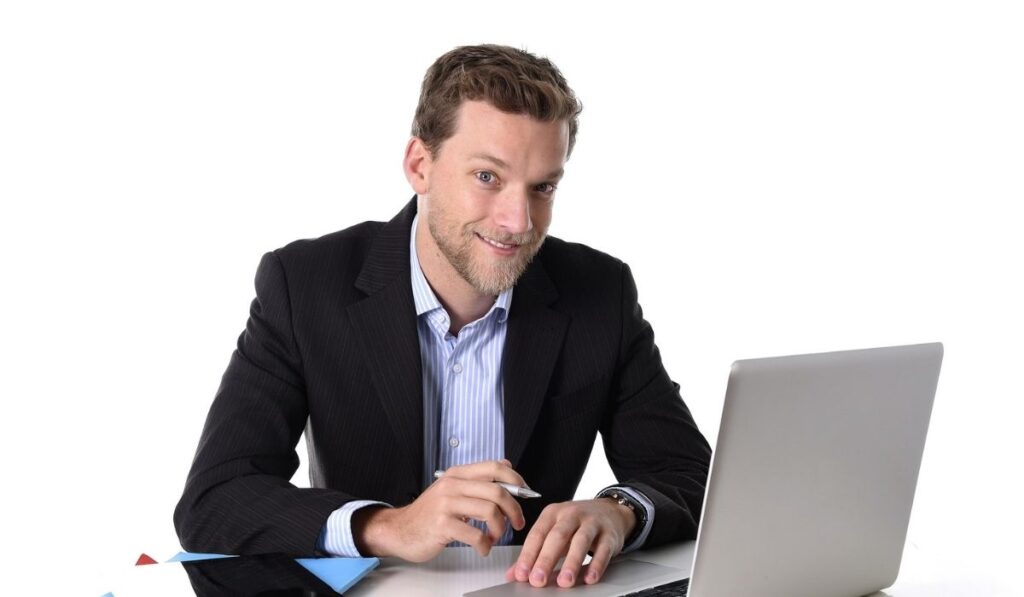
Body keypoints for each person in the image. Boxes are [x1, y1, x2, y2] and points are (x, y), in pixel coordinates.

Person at [174, 44, 711, 589]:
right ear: (419, 165)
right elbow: (215, 499)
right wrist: (386, 526)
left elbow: (693, 475)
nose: (518, 221)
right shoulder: (305, 286)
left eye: (542, 187)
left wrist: (619, 511)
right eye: (487, 177)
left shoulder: (599, 294)